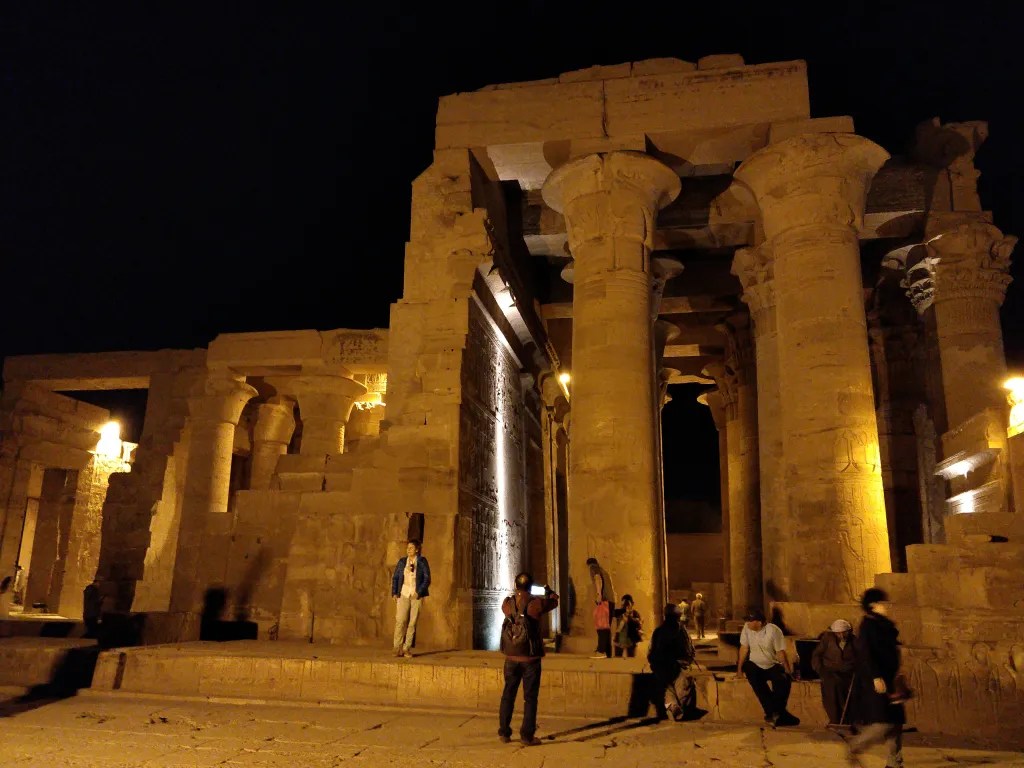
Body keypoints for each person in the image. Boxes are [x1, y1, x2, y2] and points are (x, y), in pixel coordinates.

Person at [847, 588, 906, 768]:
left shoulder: (885, 625)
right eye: (883, 602)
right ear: (873, 605)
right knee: (883, 724)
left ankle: (894, 762)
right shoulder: (868, 626)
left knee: (896, 722)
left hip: (890, 678)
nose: (887, 605)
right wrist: (876, 676)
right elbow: (866, 653)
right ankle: (855, 745)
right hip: (877, 681)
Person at [498, 572, 559, 746]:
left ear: (515, 585)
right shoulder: (535, 604)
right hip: (530, 659)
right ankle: (527, 736)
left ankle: (504, 732)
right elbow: (554, 601)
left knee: (508, 694)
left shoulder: (507, 603)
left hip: (511, 657)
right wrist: (550, 593)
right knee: (530, 698)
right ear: (530, 586)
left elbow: (507, 611)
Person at [737, 607, 799, 727]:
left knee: (782, 681)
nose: (747, 623)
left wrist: (787, 670)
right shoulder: (747, 628)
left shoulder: (774, 630)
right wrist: (739, 669)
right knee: (752, 675)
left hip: (772, 664)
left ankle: (775, 713)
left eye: (750, 621)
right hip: (755, 664)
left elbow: (780, 652)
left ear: (759, 622)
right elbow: (744, 648)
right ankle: (778, 714)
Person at [648, 603, 697, 721]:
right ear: (678, 616)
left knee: (665, 690)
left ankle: (673, 707)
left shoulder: (659, 631)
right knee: (681, 690)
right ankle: (677, 708)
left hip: (663, 668)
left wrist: (655, 664)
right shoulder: (682, 631)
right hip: (678, 667)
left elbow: (651, 652)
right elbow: (690, 651)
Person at [812, 618, 857, 726]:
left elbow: (860, 657)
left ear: (849, 631)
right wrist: (820, 669)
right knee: (831, 693)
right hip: (829, 671)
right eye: (838, 633)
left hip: (847, 673)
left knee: (846, 693)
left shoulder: (855, 640)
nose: (841, 636)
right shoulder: (827, 639)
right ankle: (835, 720)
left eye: (844, 633)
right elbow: (817, 655)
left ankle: (846, 720)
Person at [391, 539, 431, 658]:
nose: (408, 550)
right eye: (407, 548)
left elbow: (427, 578)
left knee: (412, 622)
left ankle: (406, 648)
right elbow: (396, 577)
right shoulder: (402, 562)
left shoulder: (422, 561)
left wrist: (419, 592)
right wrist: (394, 593)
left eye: (411, 548)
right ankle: (397, 647)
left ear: (417, 550)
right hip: (403, 593)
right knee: (400, 620)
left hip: (415, 595)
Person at [586, 557, 614, 659]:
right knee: (606, 627)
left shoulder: (594, 568)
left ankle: (601, 651)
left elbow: (597, 579)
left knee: (602, 627)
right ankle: (607, 652)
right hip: (611, 601)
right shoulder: (604, 571)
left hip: (604, 600)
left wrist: (599, 595)